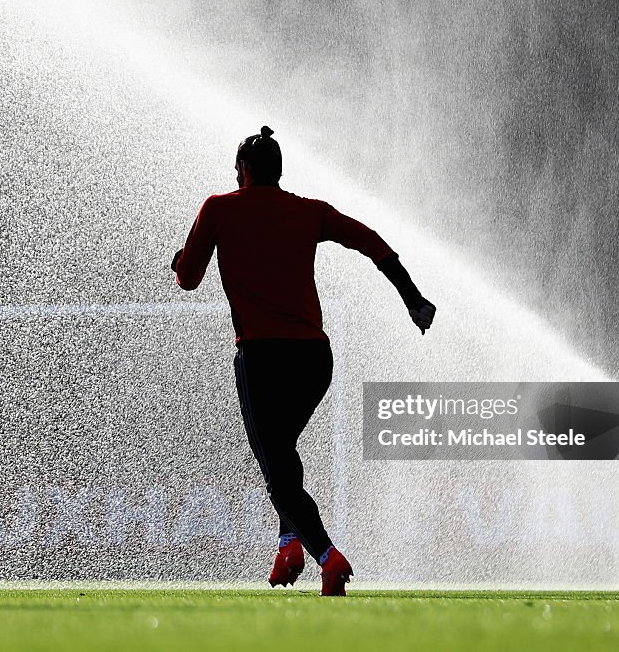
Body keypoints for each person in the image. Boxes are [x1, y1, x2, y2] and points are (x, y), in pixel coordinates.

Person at [171, 126, 435, 596]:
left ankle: (326, 555)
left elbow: (188, 279)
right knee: (282, 458)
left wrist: (179, 260)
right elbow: (371, 242)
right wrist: (413, 298)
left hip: (261, 357)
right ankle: (288, 542)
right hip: (315, 360)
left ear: (244, 171)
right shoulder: (308, 212)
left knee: (275, 465)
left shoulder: (218, 208)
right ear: (278, 172)